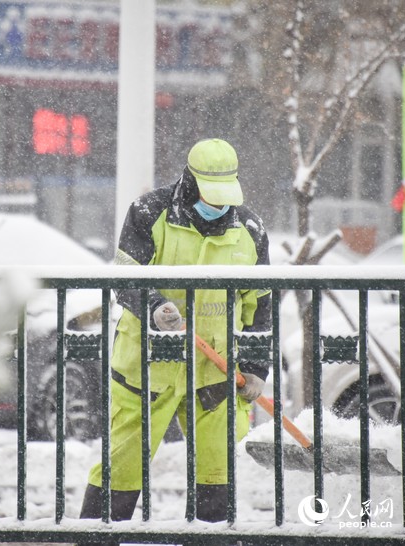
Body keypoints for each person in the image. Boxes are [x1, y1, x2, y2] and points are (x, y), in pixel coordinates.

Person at [79, 138, 272, 523]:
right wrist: (153, 307)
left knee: (216, 473)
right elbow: (127, 276)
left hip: (215, 375)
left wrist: (256, 367)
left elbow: (260, 306)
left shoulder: (249, 229)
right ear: (191, 180)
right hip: (146, 370)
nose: (218, 206)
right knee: (122, 467)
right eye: (211, 195)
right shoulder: (149, 212)